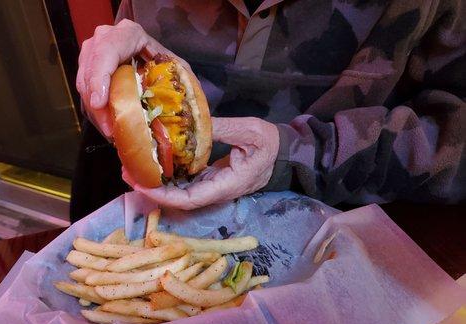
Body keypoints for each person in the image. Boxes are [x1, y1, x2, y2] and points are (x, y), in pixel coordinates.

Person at [70, 0, 465, 220]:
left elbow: (456, 144)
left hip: (344, 247)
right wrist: (105, 81)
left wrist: (292, 155)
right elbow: (129, 105)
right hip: (154, 226)